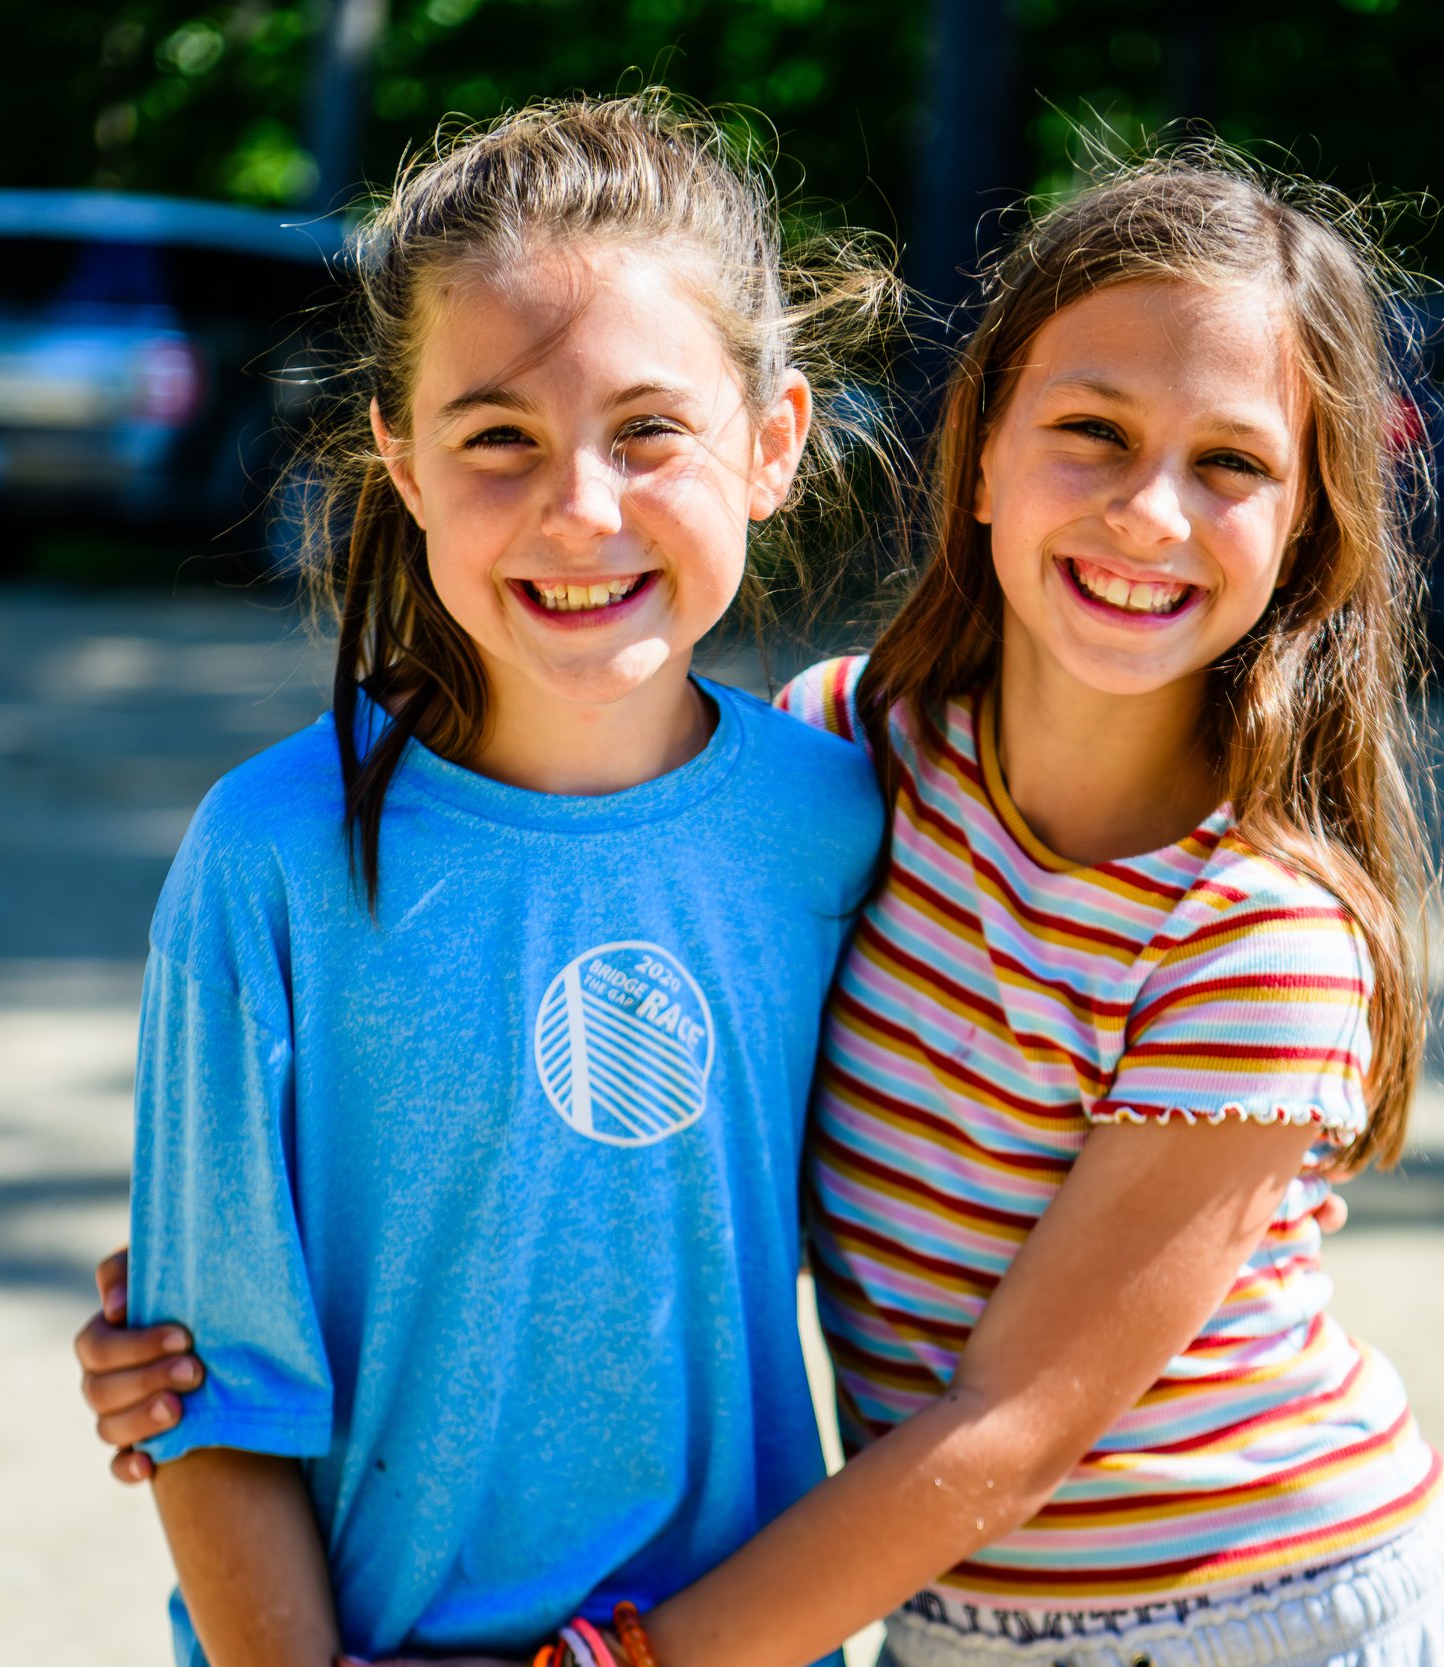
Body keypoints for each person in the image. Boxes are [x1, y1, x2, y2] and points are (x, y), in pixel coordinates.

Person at [84, 144, 1444, 1667]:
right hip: (920, 1629)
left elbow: (1008, 1422)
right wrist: (196, 1310)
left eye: (1230, 463)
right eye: (1090, 428)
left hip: (1254, 1611)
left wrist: (632, 1663)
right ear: (980, 444)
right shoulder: (858, 765)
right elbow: (275, 1329)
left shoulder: (1217, 926)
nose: (1149, 512)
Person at [96, 90, 898, 1667]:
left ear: (775, 443)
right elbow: (213, 1394)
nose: (579, 508)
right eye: (498, 438)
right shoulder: (266, 861)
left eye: (649, 429)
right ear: (396, 454)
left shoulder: (847, 823)